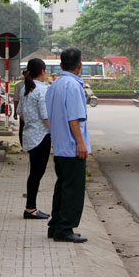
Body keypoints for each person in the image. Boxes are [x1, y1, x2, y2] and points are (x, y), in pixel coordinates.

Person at [45, 48, 90, 243]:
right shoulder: (73, 85)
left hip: (60, 145)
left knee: (62, 186)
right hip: (72, 147)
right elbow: (74, 118)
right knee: (73, 189)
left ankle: (56, 225)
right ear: (79, 65)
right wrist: (80, 142)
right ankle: (65, 228)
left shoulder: (55, 85)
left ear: (61, 65)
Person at [17, 59, 51, 219]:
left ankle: (31, 207)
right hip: (42, 137)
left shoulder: (26, 88)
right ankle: (30, 208)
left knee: (35, 173)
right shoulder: (42, 90)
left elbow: (21, 113)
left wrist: (31, 124)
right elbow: (46, 116)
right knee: (37, 173)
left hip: (30, 135)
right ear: (43, 71)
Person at [13, 69, 28, 147]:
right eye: (26, 73)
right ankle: (23, 145)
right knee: (22, 128)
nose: (27, 74)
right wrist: (15, 112)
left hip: (33, 112)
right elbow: (16, 99)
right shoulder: (19, 86)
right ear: (23, 74)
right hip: (23, 112)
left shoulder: (37, 85)